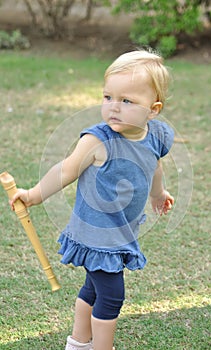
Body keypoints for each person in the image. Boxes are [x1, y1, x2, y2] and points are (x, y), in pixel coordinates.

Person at [11, 49, 175, 350]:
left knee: (94, 287)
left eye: (127, 101)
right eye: (108, 97)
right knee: (112, 295)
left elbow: (155, 166)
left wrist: (158, 194)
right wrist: (34, 194)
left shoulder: (157, 136)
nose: (114, 107)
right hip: (96, 232)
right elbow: (66, 170)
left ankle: (78, 342)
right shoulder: (98, 140)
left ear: (153, 109)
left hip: (121, 230)